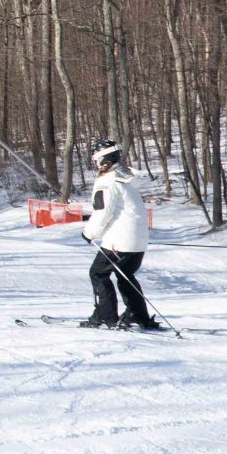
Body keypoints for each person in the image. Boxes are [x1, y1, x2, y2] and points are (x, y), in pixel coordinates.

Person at [81, 138, 159, 330]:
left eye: (95, 161)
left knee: (98, 273)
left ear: (102, 160)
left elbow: (102, 212)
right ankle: (138, 315)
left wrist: (89, 233)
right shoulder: (125, 178)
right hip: (137, 241)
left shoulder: (107, 182)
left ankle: (106, 317)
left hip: (120, 242)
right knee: (125, 276)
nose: (95, 165)